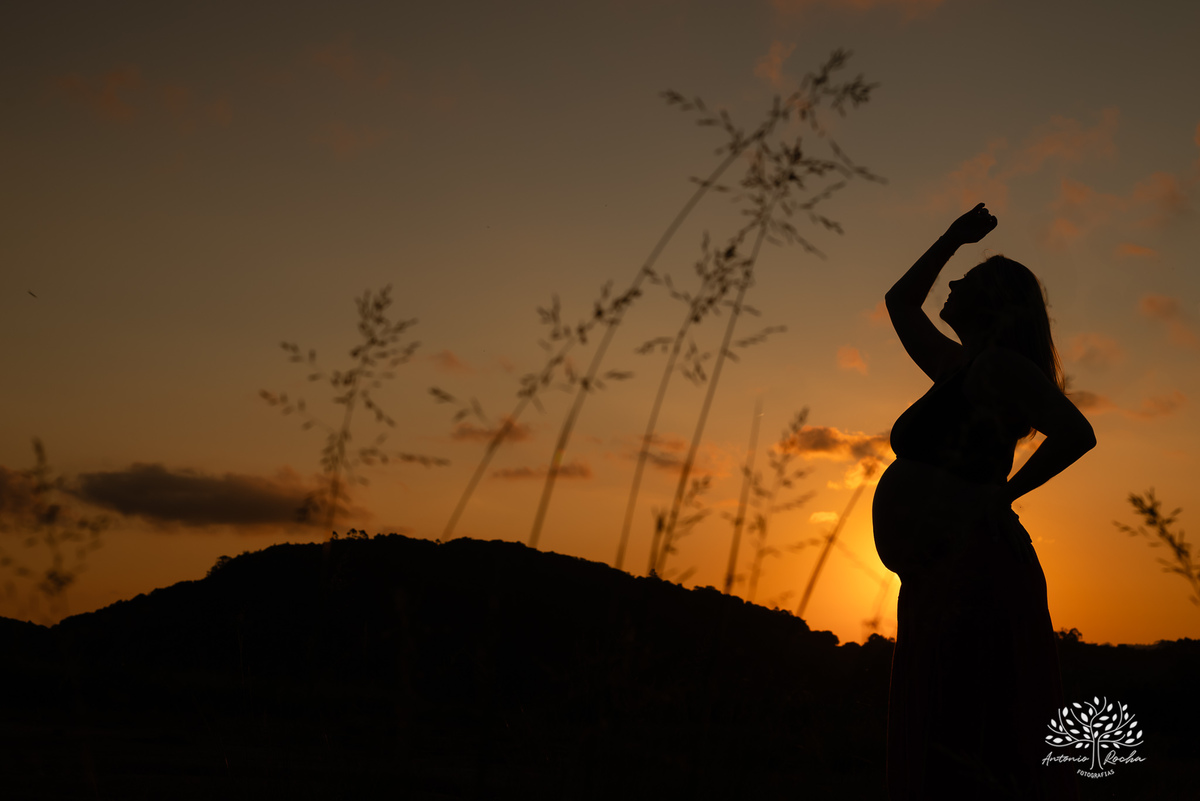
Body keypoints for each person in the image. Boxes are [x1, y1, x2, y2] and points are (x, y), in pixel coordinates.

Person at [873, 203, 1095, 799]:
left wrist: (1004, 493)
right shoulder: (958, 365)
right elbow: (900, 303)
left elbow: (1076, 433)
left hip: (974, 570)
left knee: (968, 726)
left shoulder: (999, 365)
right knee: (945, 723)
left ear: (993, 303)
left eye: (966, 280)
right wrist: (952, 237)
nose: (951, 283)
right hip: (939, 574)